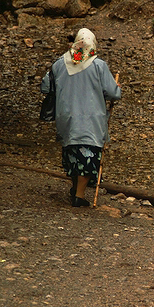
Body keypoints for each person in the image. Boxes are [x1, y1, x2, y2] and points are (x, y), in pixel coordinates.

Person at [41, 28, 121, 207]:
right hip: (90, 120)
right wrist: (116, 87)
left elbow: (46, 87)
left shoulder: (59, 64)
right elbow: (113, 93)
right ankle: (79, 195)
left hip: (66, 116)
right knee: (88, 154)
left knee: (71, 151)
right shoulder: (99, 65)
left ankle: (75, 188)